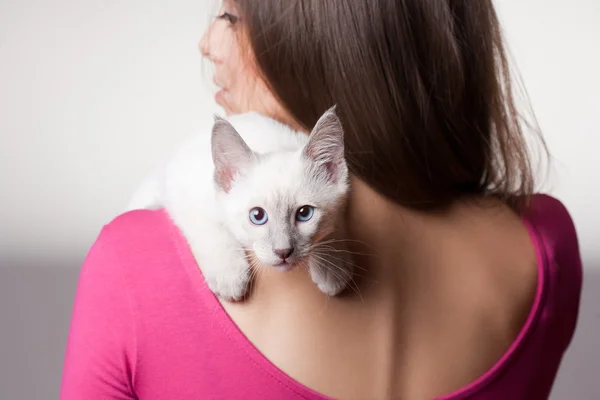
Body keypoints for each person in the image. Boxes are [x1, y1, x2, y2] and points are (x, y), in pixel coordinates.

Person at [60, 1, 583, 399]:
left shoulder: (134, 263)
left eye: (232, 18)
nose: (206, 42)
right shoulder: (545, 246)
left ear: (324, 43)